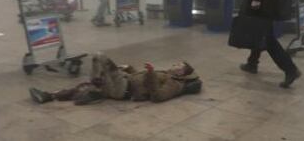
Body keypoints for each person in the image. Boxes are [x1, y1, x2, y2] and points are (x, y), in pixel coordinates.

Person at [29, 53, 202, 105]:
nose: (175, 65)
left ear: (182, 74)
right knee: (82, 86)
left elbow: (157, 97)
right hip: (123, 82)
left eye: (179, 66)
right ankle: (48, 96)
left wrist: (150, 73)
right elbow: (138, 77)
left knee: (99, 58)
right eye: (176, 62)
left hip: (124, 88)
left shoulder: (174, 83)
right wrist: (129, 68)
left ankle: (96, 89)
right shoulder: (166, 73)